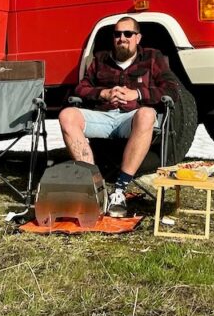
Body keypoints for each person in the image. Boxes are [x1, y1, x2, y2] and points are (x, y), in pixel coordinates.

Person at [59, 16, 176, 217]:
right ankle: (93, 187)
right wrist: (102, 93)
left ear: (138, 38)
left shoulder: (152, 57)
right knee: (67, 115)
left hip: (132, 118)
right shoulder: (101, 59)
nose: (122, 38)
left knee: (147, 114)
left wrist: (137, 94)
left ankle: (120, 190)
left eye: (128, 34)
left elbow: (171, 89)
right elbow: (81, 88)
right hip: (103, 117)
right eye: (117, 34)